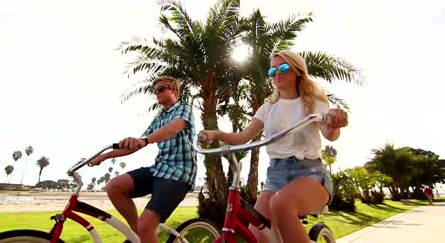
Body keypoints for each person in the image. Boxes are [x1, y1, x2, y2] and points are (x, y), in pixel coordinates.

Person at [199, 50, 348, 243]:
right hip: (275, 177)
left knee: (280, 204)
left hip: (309, 173)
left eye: (284, 67)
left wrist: (335, 123)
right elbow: (243, 137)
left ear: (298, 71)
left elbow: (330, 134)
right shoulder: (267, 108)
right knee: (257, 234)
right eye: (272, 71)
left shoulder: (312, 103)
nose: (278, 73)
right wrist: (215, 134)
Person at [89, 76, 196, 243]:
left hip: (178, 173)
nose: (157, 93)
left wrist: (145, 140)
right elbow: (137, 144)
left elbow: (174, 128)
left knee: (146, 225)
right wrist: (103, 156)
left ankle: (143, 231)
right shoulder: (159, 117)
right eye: (155, 91)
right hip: (159, 169)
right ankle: (138, 236)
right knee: (114, 187)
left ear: (173, 90)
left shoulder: (183, 108)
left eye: (161, 89)